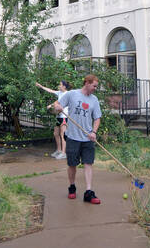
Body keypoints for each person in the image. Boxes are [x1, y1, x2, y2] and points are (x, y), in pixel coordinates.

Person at [53, 74, 103, 205]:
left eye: (96, 86)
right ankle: (72, 187)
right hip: (73, 137)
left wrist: (94, 132)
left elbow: (97, 118)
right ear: (87, 83)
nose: (95, 88)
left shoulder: (94, 100)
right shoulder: (72, 94)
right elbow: (57, 105)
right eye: (94, 86)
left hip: (88, 138)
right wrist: (57, 107)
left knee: (88, 164)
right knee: (72, 165)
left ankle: (88, 192)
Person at [36, 80, 70, 159]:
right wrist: (40, 86)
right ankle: (58, 150)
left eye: (60, 84)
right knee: (56, 133)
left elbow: (61, 103)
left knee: (63, 135)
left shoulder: (67, 94)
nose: (59, 85)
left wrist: (51, 105)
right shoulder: (59, 93)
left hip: (64, 117)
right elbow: (50, 91)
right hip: (58, 116)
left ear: (64, 86)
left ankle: (63, 153)